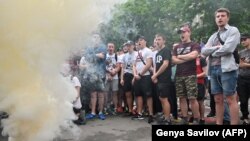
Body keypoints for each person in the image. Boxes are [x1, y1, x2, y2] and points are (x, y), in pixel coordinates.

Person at [201, 8, 240, 125]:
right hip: (213, 70)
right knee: (217, 99)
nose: (220, 18)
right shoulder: (213, 36)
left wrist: (212, 51)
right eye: (218, 16)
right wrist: (216, 48)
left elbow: (228, 48)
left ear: (227, 18)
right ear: (215, 19)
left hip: (227, 69)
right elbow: (203, 50)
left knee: (230, 99)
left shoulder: (233, 31)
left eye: (223, 16)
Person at [172, 24, 200, 125]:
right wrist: (185, 58)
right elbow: (173, 60)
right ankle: (184, 118)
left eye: (184, 32)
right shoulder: (177, 47)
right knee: (181, 98)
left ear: (189, 33)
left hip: (190, 75)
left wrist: (180, 56)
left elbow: (194, 55)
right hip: (179, 75)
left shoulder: (194, 45)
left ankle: (196, 118)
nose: (182, 35)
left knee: (192, 98)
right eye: (180, 33)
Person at [132, 35, 154, 123]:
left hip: (146, 76)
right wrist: (135, 75)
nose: (139, 42)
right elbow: (134, 65)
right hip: (137, 76)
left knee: (148, 95)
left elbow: (149, 64)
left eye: (141, 40)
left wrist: (140, 74)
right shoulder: (136, 53)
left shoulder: (148, 51)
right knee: (138, 95)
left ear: (145, 41)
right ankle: (139, 113)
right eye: (138, 40)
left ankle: (151, 114)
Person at [151, 34, 172, 125]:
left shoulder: (166, 50)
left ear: (164, 41)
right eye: (156, 40)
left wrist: (155, 75)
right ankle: (164, 115)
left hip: (165, 79)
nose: (157, 41)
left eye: (159, 39)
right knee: (161, 98)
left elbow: (165, 64)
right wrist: (155, 76)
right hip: (159, 79)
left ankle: (167, 119)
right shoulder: (158, 53)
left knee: (164, 99)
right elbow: (156, 65)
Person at [120, 41, 136, 116]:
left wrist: (135, 76)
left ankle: (138, 110)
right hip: (127, 75)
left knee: (136, 93)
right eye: (127, 46)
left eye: (129, 45)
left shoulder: (137, 54)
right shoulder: (124, 56)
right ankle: (130, 109)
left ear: (133, 46)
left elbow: (136, 66)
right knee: (128, 93)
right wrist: (122, 78)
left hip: (134, 75)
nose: (128, 47)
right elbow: (123, 68)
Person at [238, 33, 250, 125]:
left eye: (245, 39)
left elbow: (242, 64)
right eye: (241, 40)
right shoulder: (241, 52)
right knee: (243, 99)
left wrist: (245, 65)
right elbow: (239, 64)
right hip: (241, 78)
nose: (243, 41)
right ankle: (245, 116)